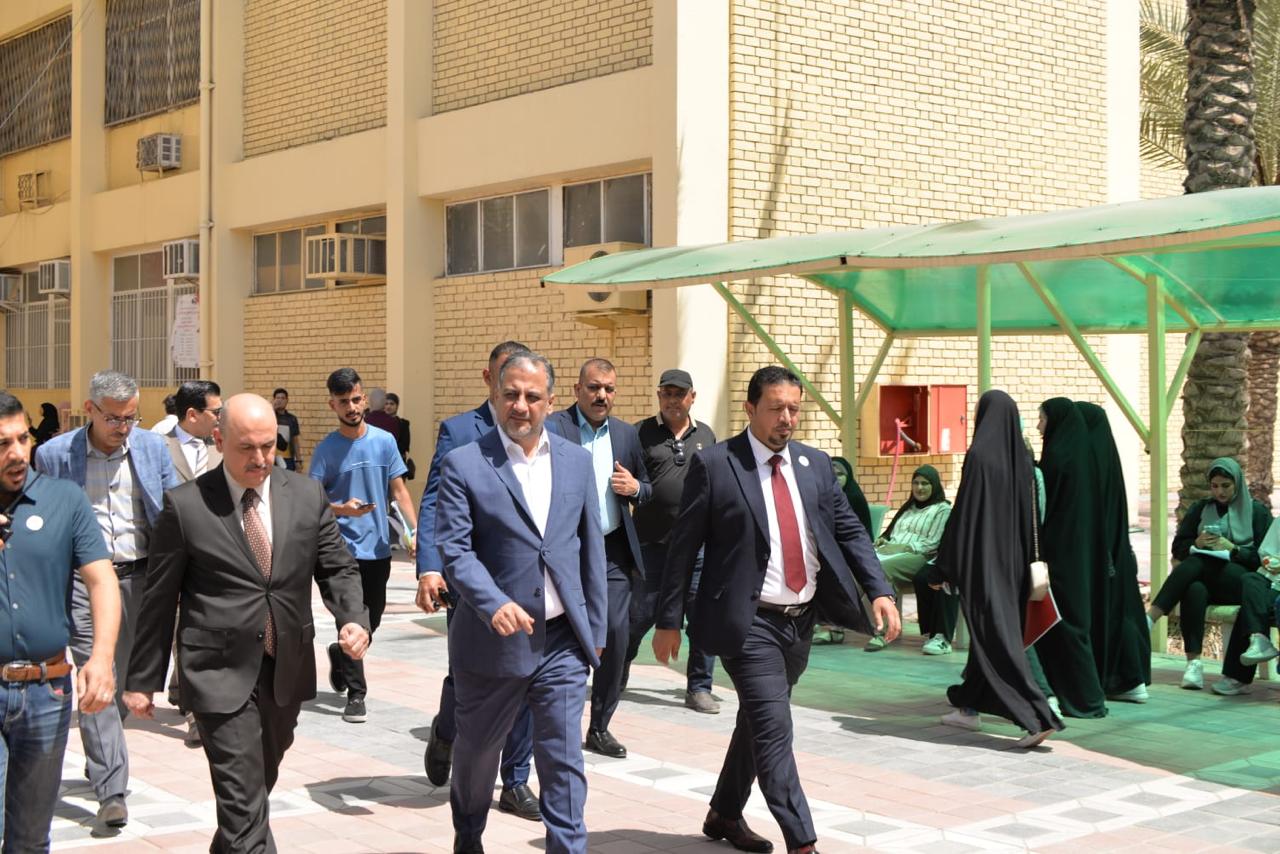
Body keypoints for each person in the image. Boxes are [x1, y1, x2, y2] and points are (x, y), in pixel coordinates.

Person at [653, 365, 899, 854]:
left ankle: (724, 813)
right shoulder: (717, 464)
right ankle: (802, 841)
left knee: (757, 719)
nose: (786, 418)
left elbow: (850, 531)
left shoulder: (815, 464)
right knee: (774, 727)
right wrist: (668, 620)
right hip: (748, 623)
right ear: (750, 409)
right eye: (775, 408)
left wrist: (880, 590)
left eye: (793, 409)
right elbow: (683, 546)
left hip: (800, 622)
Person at [124, 394, 370, 854]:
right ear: (219, 440)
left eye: (268, 446)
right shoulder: (186, 506)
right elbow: (159, 599)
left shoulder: (307, 495)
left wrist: (353, 619)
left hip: (285, 668)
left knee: (254, 792)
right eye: (246, 448)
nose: (260, 458)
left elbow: (337, 566)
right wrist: (142, 680)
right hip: (217, 673)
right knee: (243, 804)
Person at [435, 351, 608, 854]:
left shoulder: (576, 462)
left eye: (533, 396)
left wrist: (594, 631)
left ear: (551, 402)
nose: (520, 405)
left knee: (563, 761)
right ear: (494, 395)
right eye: (510, 394)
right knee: (477, 757)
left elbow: (590, 549)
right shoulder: (465, 463)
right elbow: (455, 551)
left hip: (561, 643)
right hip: (490, 644)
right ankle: (469, 836)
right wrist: (492, 603)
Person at [33, 369, 178, 832]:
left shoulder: (153, 448)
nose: (123, 427)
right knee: (96, 673)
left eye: (131, 417)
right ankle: (112, 790)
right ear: (90, 410)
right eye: (114, 418)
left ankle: (102, 754)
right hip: (84, 581)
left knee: (126, 679)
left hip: (142, 576)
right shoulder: (55, 455)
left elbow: (173, 511)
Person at [417, 341, 540, 822]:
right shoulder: (459, 430)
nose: (519, 399)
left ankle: (515, 780)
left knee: (528, 678)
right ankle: (447, 731)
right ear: (490, 379)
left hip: (529, 581)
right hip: (472, 579)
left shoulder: (545, 430)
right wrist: (430, 567)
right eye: (507, 379)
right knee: (468, 676)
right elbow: (434, 499)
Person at [0, 392, 120, 851]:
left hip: (46, 691)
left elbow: (102, 580)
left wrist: (101, 658)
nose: (17, 453)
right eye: (2, 444)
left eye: (22, 438)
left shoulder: (64, 499)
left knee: (31, 838)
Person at [930, 389, 1064, 748]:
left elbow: (964, 515)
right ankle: (968, 707)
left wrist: (943, 567)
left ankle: (1038, 717)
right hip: (1015, 565)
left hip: (983, 565)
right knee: (988, 636)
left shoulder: (979, 457)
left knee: (999, 641)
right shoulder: (1022, 459)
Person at [546, 358, 650, 759]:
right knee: (563, 635)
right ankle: (555, 723)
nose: (601, 395)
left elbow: (649, 487)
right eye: (593, 388)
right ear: (577, 390)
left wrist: (635, 487)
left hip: (612, 551)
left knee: (617, 636)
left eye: (608, 388)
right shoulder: (555, 428)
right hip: (565, 552)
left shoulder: (626, 434)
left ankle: (600, 726)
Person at [310, 368, 417, 724]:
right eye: (344, 402)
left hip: (378, 548)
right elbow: (311, 500)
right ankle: (356, 695)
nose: (352, 407)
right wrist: (342, 509)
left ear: (363, 398)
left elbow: (399, 491)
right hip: (338, 551)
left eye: (356, 399)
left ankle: (342, 655)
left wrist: (414, 532)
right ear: (333, 405)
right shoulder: (326, 450)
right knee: (352, 618)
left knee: (373, 618)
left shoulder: (384, 442)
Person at [625, 368, 719, 713]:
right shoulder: (639, 434)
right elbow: (626, 482)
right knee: (636, 618)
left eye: (680, 394)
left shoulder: (706, 435)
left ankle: (699, 688)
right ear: (659, 396)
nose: (673, 400)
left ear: (692, 397)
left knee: (703, 619)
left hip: (697, 549)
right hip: (651, 546)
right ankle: (615, 675)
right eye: (667, 393)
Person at [1147, 457, 1271, 690]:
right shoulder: (1201, 509)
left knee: (1199, 561)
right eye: (1214, 486)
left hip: (1245, 584)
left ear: (1237, 483)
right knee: (1194, 588)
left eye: (1226, 486)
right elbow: (1178, 548)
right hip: (1211, 580)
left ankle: (1152, 616)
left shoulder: (1257, 511)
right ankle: (1193, 664)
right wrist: (1197, 542)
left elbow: (1265, 557)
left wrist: (1233, 549)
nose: (1219, 492)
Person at [1032, 397, 1107, 718]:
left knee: (1062, 625)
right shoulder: (1083, 458)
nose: (1038, 426)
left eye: (1042, 419)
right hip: (1080, 555)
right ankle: (1075, 696)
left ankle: (1084, 700)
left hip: (1059, 557)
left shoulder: (1057, 460)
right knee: (1070, 624)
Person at [161, 379, 225, 746]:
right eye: (216, 412)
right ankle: (194, 712)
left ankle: (185, 692)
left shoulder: (222, 446)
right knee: (181, 630)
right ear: (192, 414)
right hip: (174, 553)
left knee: (204, 628)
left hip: (218, 553)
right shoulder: (158, 446)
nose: (220, 417)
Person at [1076, 402, 1150, 703]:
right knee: (1122, 610)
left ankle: (1122, 680)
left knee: (1110, 614)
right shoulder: (1106, 456)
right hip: (1116, 553)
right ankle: (1131, 679)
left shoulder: (1088, 460)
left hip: (1100, 555)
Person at [863, 465, 954, 655]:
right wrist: (884, 540)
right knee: (857, 565)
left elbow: (933, 543)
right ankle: (834, 625)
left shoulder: (942, 509)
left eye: (925, 483)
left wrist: (900, 548)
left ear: (934, 485)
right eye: (916, 483)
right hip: (892, 553)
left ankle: (884, 631)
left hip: (921, 556)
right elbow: (893, 534)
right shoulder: (908, 508)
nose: (919, 488)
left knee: (882, 569)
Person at [1217, 515, 1280, 694]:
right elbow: (1265, 552)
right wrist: (1269, 562)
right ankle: (1259, 639)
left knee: (1251, 609)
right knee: (1250, 580)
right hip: (1271, 579)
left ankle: (1237, 677)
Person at [272, 388, 302, 471]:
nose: (280, 400)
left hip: (288, 458)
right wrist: (272, 409)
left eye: (283, 398)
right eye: (278, 398)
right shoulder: (269, 415)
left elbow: (295, 440)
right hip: (272, 458)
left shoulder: (292, 419)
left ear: (287, 400)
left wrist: (298, 460)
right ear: (274, 400)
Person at [384, 392, 413, 477]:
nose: (388, 406)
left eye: (391, 404)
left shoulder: (403, 424)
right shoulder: (379, 423)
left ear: (397, 406)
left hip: (397, 464)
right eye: (386, 404)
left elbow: (404, 445)